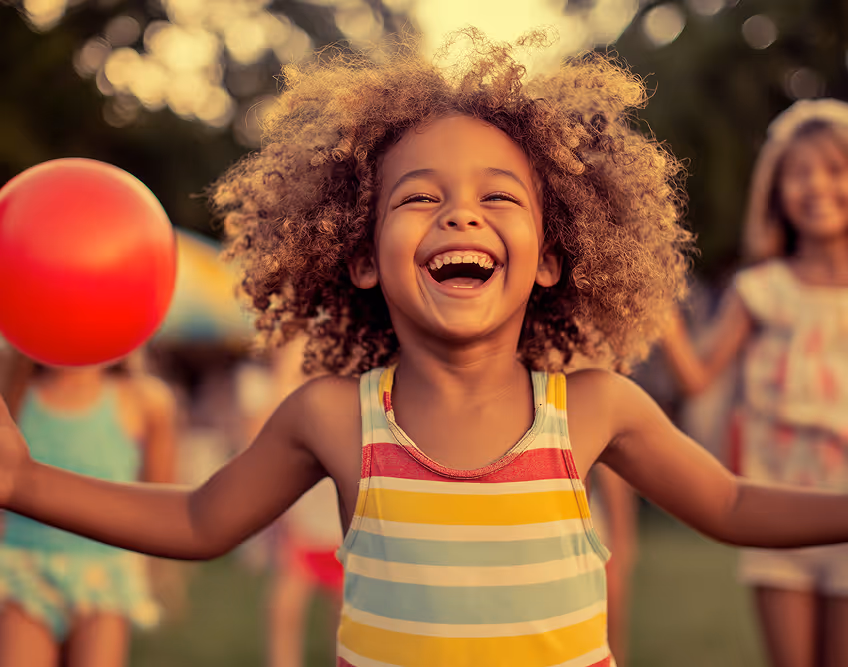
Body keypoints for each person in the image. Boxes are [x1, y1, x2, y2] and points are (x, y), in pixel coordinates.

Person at [2, 31, 848, 667]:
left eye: (498, 196)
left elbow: (732, 505)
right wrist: (25, 481)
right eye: (419, 196)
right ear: (362, 255)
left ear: (552, 254)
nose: (461, 216)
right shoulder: (333, 416)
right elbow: (197, 517)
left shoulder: (593, 407)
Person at [662, 98, 848, 667]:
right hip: (776, 514)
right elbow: (696, 379)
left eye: (834, 169)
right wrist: (658, 304)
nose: (815, 186)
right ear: (776, 193)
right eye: (798, 173)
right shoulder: (760, 290)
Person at [0, 352, 176, 667]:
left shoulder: (143, 400)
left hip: (103, 573)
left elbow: (162, 500)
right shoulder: (13, 393)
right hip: (24, 568)